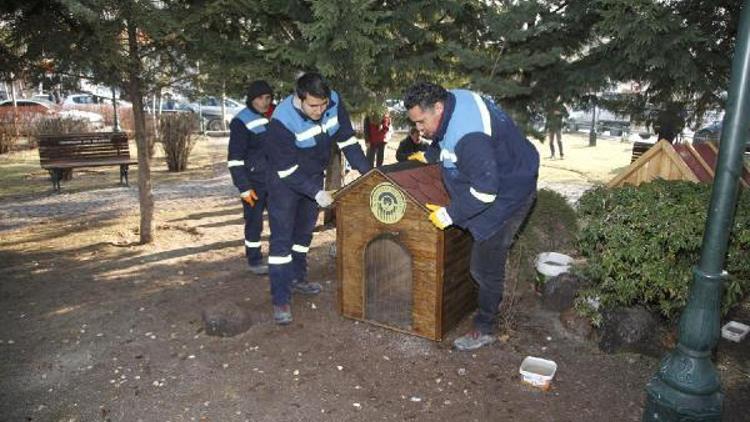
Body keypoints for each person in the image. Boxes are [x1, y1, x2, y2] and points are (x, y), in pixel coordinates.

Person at [404, 82, 539, 351]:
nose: (419, 130)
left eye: (421, 122)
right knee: (475, 245)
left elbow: (486, 193)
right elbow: (444, 136)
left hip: (508, 194)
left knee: (484, 267)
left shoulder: (470, 137)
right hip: (495, 175)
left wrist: (451, 214)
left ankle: (485, 327)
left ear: (438, 107)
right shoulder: (451, 101)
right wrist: (431, 154)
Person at [265, 72, 371, 324]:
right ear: (298, 98)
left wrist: (368, 173)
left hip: (312, 176)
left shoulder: (332, 101)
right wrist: (316, 193)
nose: (320, 110)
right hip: (284, 182)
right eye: (313, 105)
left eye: (323, 104)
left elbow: (346, 138)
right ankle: (281, 300)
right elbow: (286, 170)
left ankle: (298, 279)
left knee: (303, 236)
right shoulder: (281, 120)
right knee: (282, 241)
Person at [227, 80, 274, 275]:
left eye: (268, 98)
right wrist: (243, 187)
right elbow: (235, 159)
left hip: (272, 181)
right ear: (252, 99)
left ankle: (277, 257)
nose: (264, 102)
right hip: (252, 185)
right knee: (254, 223)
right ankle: (254, 260)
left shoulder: (271, 117)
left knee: (278, 221)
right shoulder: (241, 121)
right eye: (260, 98)